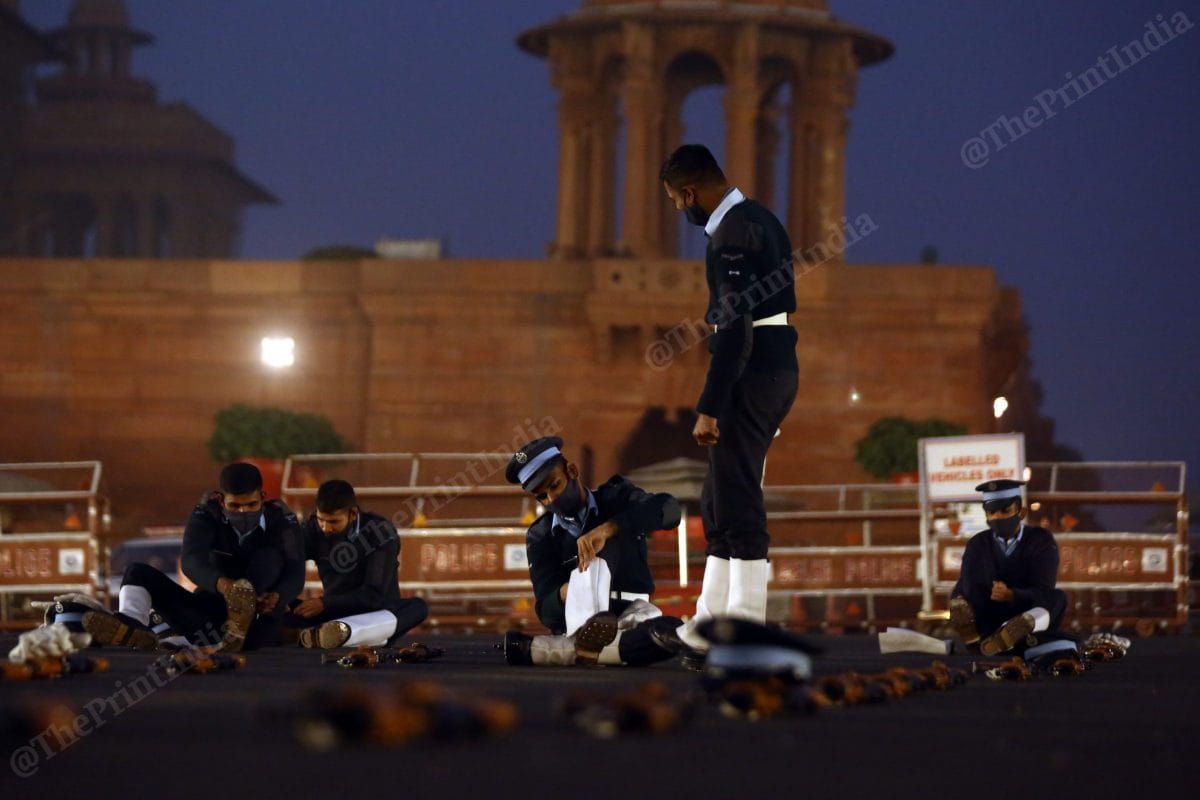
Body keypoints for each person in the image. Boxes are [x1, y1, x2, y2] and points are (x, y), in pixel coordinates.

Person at [652, 144, 799, 658]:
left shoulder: (733, 232)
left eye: (675, 199)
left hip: (754, 369)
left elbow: (734, 328)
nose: (678, 209)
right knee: (720, 498)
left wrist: (710, 403)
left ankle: (743, 632)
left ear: (690, 192)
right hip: (770, 363)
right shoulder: (755, 218)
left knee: (737, 500)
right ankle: (709, 622)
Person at [83, 462, 305, 652]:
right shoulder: (206, 515)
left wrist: (278, 596)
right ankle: (132, 626)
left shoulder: (281, 519)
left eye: (251, 505)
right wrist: (225, 586)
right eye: (234, 506)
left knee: (268, 557)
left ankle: (241, 622)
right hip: (210, 614)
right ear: (220, 500)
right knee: (137, 572)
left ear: (263, 498)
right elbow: (191, 560)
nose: (243, 512)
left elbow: (296, 571)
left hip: (261, 620)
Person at [501, 436, 683, 666]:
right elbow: (546, 611)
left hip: (632, 616)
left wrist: (609, 528)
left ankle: (568, 651)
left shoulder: (616, 497)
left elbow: (669, 509)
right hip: (577, 622)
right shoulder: (541, 535)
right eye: (541, 496)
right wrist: (572, 589)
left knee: (667, 633)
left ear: (573, 471)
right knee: (660, 637)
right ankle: (590, 638)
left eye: (555, 485)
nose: (551, 498)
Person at [281, 479, 428, 648]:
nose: (325, 528)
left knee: (418, 607)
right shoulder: (313, 529)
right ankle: (328, 636)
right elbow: (287, 560)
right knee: (275, 613)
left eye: (334, 522)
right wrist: (281, 595)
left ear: (353, 514)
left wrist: (325, 603)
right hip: (331, 615)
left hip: (375, 615)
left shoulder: (379, 532)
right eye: (321, 520)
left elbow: (373, 596)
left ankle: (337, 634)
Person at [949, 479, 1070, 656]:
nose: (998, 517)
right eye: (992, 512)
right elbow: (970, 585)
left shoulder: (1041, 540)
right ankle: (978, 638)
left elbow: (1044, 588)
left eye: (1005, 511)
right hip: (988, 614)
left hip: (1025, 609)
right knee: (960, 593)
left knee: (1057, 598)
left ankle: (1016, 630)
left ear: (1021, 512)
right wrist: (963, 602)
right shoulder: (977, 544)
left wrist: (1013, 595)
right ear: (986, 516)